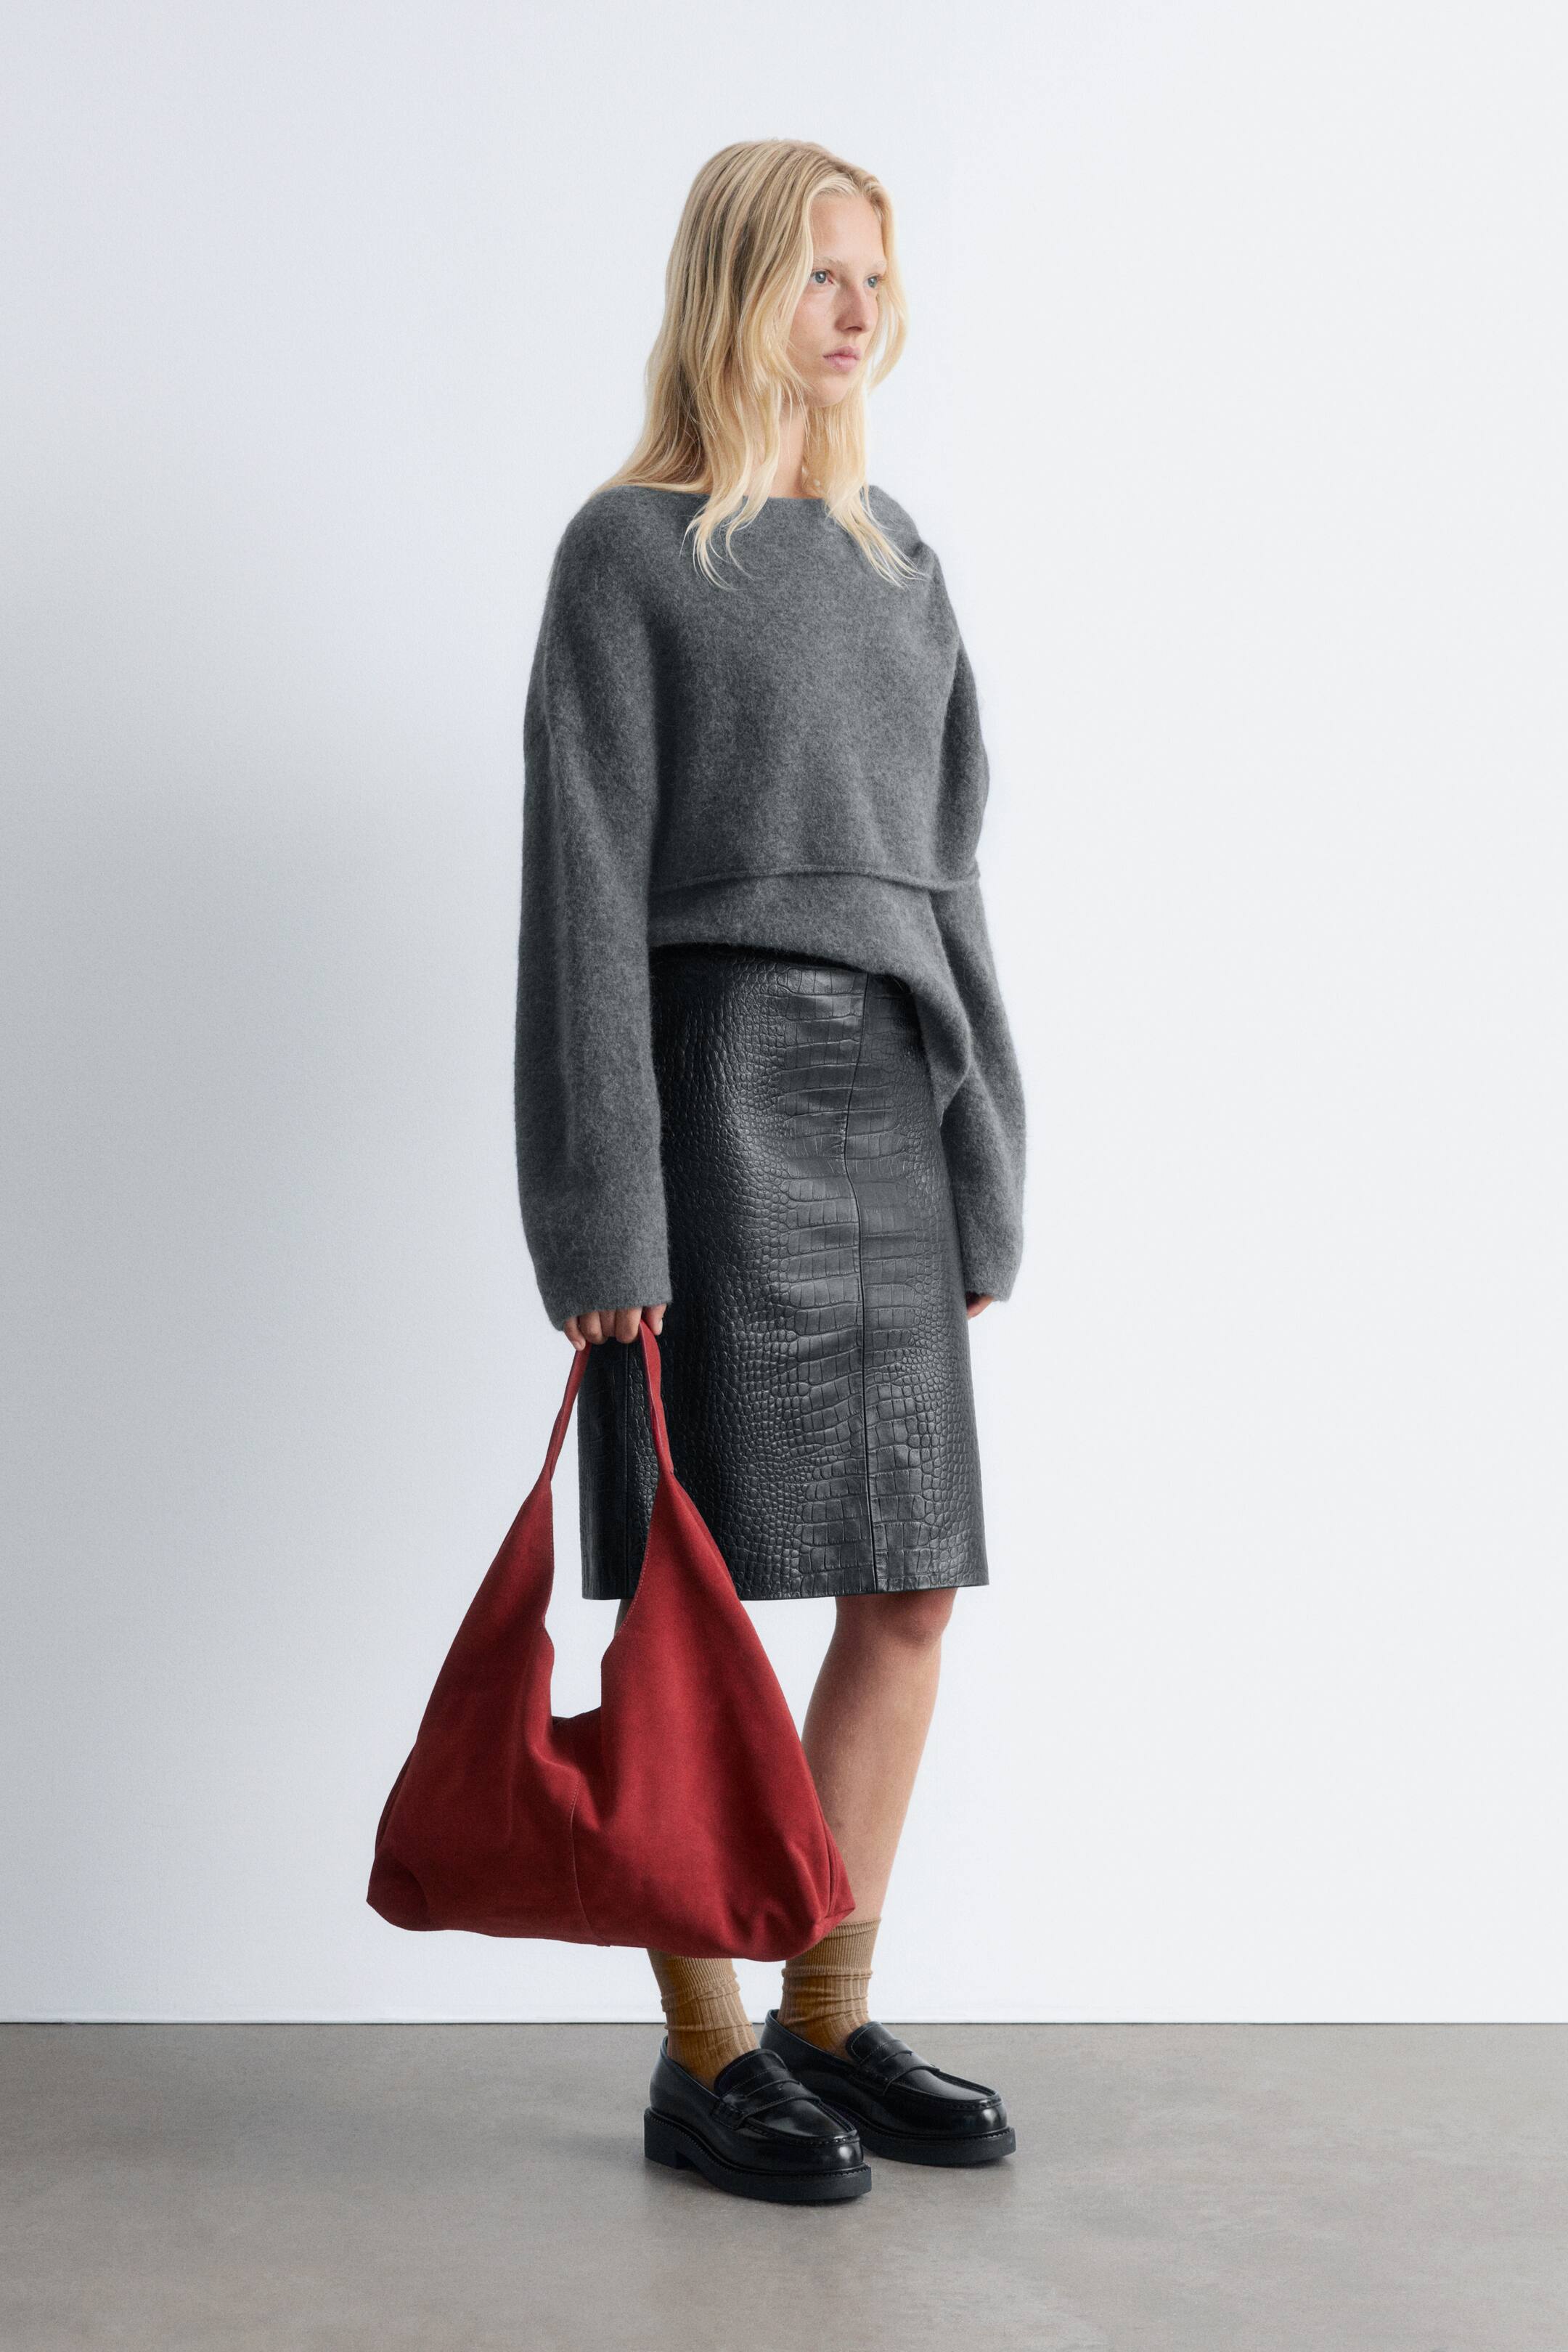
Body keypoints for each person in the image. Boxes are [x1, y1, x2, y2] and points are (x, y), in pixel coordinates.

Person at [513, 138, 1026, 2205]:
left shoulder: (903, 561)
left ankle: (824, 2014)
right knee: (692, 1603)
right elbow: (581, 896)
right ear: (737, 289)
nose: (857, 309)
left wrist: (986, 1148)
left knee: (911, 1584)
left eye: (875, 276)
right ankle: (705, 2055)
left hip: (890, 1089)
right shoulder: (626, 554)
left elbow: (952, 881)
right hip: (708, 1091)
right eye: (821, 273)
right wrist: (599, 1205)